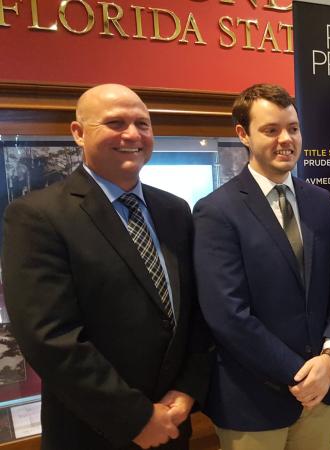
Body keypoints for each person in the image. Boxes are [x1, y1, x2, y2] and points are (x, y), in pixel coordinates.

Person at [2, 84, 211, 450]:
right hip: (93, 432)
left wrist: (188, 389)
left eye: (142, 124)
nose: (132, 135)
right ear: (78, 132)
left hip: (174, 423)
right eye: (115, 123)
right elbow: (49, 338)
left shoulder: (175, 210)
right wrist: (136, 418)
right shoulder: (37, 217)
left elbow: (195, 311)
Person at [193, 83, 330, 450]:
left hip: (324, 392)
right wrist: (300, 374)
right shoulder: (217, 211)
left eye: (293, 128)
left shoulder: (320, 202)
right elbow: (228, 315)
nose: (286, 139)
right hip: (254, 402)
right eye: (271, 130)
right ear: (243, 134)